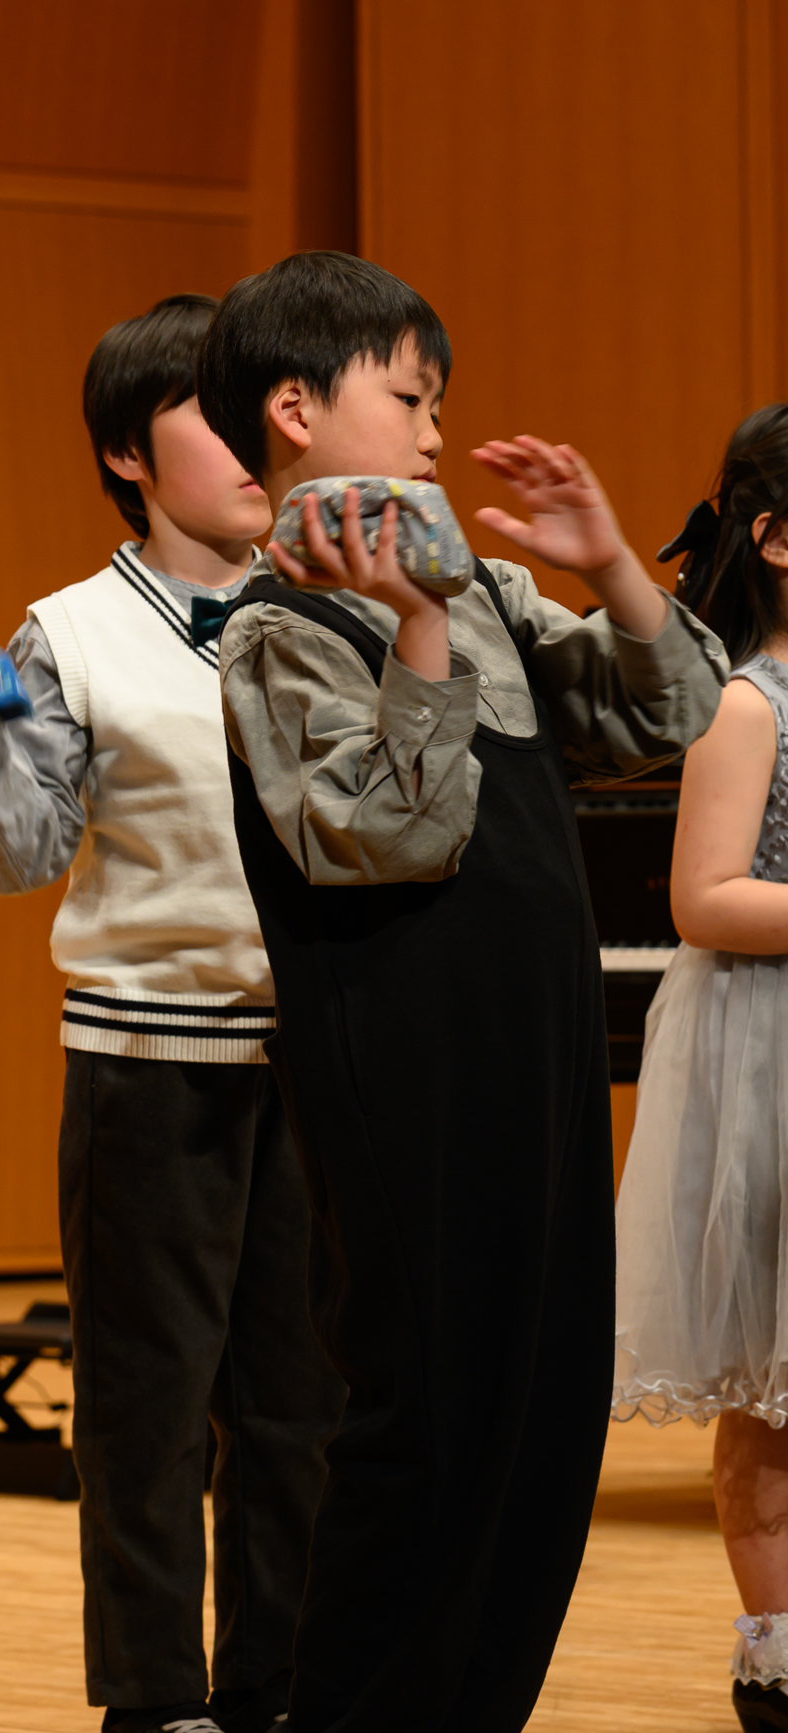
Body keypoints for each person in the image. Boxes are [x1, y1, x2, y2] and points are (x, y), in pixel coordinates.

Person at [200, 249, 729, 1732]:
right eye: (411, 398)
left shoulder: (485, 587)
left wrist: (609, 564)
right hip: (405, 1072)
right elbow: (387, 836)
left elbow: (669, 715)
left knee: (543, 1412)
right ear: (295, 410)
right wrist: (418, 627)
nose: (438, 432)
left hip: (530, 1051)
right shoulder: (275, 628)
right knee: (428, 1418)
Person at [0, 293, 338, 1733]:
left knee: (300, 1407)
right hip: (151, 1062)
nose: (253, 443)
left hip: (315, 1065)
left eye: (264, 409)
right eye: (211, 416)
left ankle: (278, 1689)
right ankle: (154, 1703)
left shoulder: (330, 605)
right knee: (148, 1411)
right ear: (126, 454)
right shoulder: (72, 633)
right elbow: (17, 854)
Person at [613, 402, 788, 1732]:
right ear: (777, 539)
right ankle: (776, 1657)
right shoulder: (747, 701)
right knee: (776, 1396)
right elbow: (705, 896)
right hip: (771, 1053)